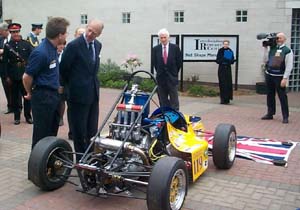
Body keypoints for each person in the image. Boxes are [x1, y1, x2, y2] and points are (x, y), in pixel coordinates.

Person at [60, 19, 104, 161]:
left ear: (99, 34)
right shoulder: (74, 46)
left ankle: (91, 157)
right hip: (77, 96)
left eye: (94, 33)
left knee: (92, 130)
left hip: (93, 94)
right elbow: (63, 69)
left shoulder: (97, 45)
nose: (90, 34)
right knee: (79, 131)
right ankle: (81, 160)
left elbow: (92, 69)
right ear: (87, 27)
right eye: (89, 30)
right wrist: (70, 88)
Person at [23, 17, 70, 148]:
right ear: (60, 35)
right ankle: (37, 165)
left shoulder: (53, 49)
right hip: (43, 97)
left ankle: (48, 163)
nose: (66, 35)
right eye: (65, 33)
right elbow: (26, 77)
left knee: (51, 134)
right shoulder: (41, 52)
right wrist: (29, 92)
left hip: (53, 96)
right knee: (41, 135)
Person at [3, 23, 33, 125]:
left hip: (25, 75)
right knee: (15, 97)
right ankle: (17, 117)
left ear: (19, 32)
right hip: (13, 75)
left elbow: (32, 58)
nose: (15, 34)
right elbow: (5, 62)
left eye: (16, 32)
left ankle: (28, 116)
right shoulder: (7, 46)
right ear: (10, 33)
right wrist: (6, 76)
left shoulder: (26, 44)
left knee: (27, 96)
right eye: (12, 32)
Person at [261, 32, 293, 124]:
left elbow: (289, 65)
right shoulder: (272, 48)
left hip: (279, 76)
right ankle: (270, 113)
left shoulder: (287, 50)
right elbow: (265, 60)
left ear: (284, 39)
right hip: (270, 74)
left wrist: (285, 78)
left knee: (282, 96)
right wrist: (265, 49)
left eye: (280, 38)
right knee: (270, 95)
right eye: (277, 38)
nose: (278, 40)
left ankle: (285, 116)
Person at [152, 28, 182, 111]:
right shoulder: (156, 49)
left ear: (168, 38)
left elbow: (179, 63)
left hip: (172, 78)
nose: (163, 39)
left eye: (165, 37)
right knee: (163, 100)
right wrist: (160, 72)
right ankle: (165, 116)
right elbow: (155, 63)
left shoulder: (175, 48)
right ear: (159, 38)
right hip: (161, 79)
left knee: (174, 100)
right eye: (161, 38)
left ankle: (175, 118)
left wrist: (174, 73)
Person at [216, 40, 235, 104]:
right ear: (223, 44)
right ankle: (222, 99)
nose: (225, 45)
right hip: (221, 68)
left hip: (228, 68)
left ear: (228, 45)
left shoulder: (230, 51)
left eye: (227, 44)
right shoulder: (220, 51)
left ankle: (227, 99)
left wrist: (228, 59)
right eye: (224, 44)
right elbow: (217, 60)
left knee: (228, 83)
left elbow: (232, 61)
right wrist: (224, 58)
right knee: (222, 83)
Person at [0, 22, 13, 114]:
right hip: (3, 68)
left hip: (11, 67)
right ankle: (10, 106)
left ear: (6, 31)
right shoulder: (0, 39)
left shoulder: (13, 39)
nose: (0, 33)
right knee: (6, 87)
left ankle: (17, 106)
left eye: (1, 31)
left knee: (14, 88)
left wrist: (3, 51)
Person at [57, 41, 66, 126]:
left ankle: (61, 117)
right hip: (53, 80)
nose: (61, 46)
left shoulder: (66, 54)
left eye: (63, 45)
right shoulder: (52, 53)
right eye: (59, 44)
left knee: (61, 100)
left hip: (62, 80)